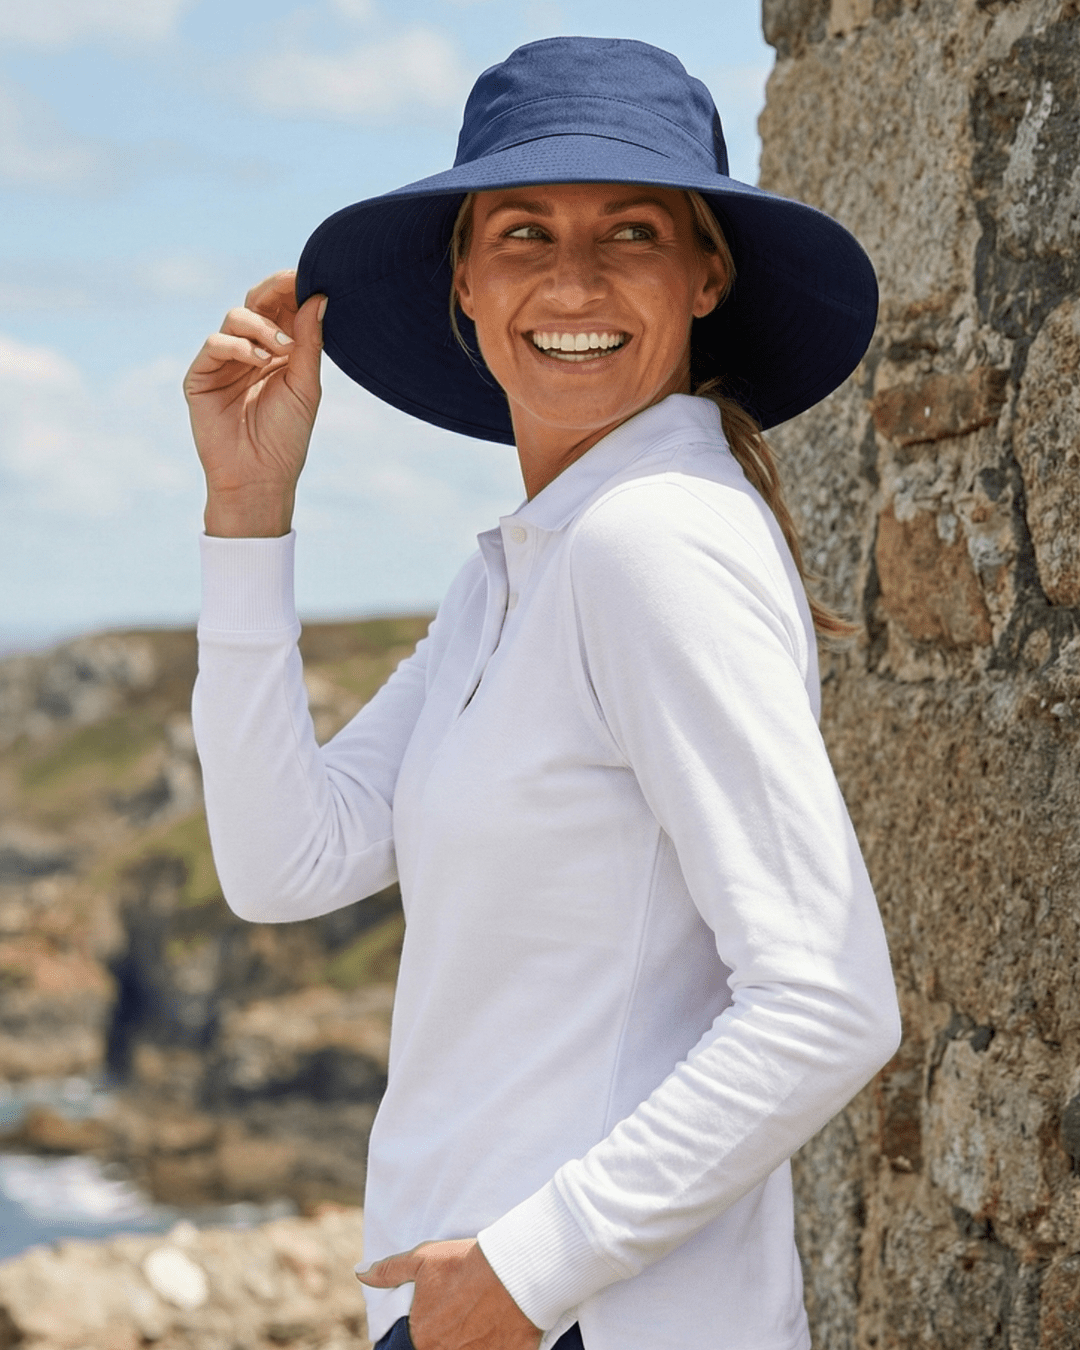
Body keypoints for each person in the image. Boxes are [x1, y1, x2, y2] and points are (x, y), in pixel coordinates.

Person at [184, 36, 901, 1350]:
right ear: (466, 278)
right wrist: (246, 514)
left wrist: (530, 1269)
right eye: (524, 232)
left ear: (705, 274)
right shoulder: (526, 569)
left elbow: (831, 998)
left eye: (629, 229)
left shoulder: (649, 545)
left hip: (578, 1317)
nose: (573, 279)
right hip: (481, 1304)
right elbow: (285, 861)